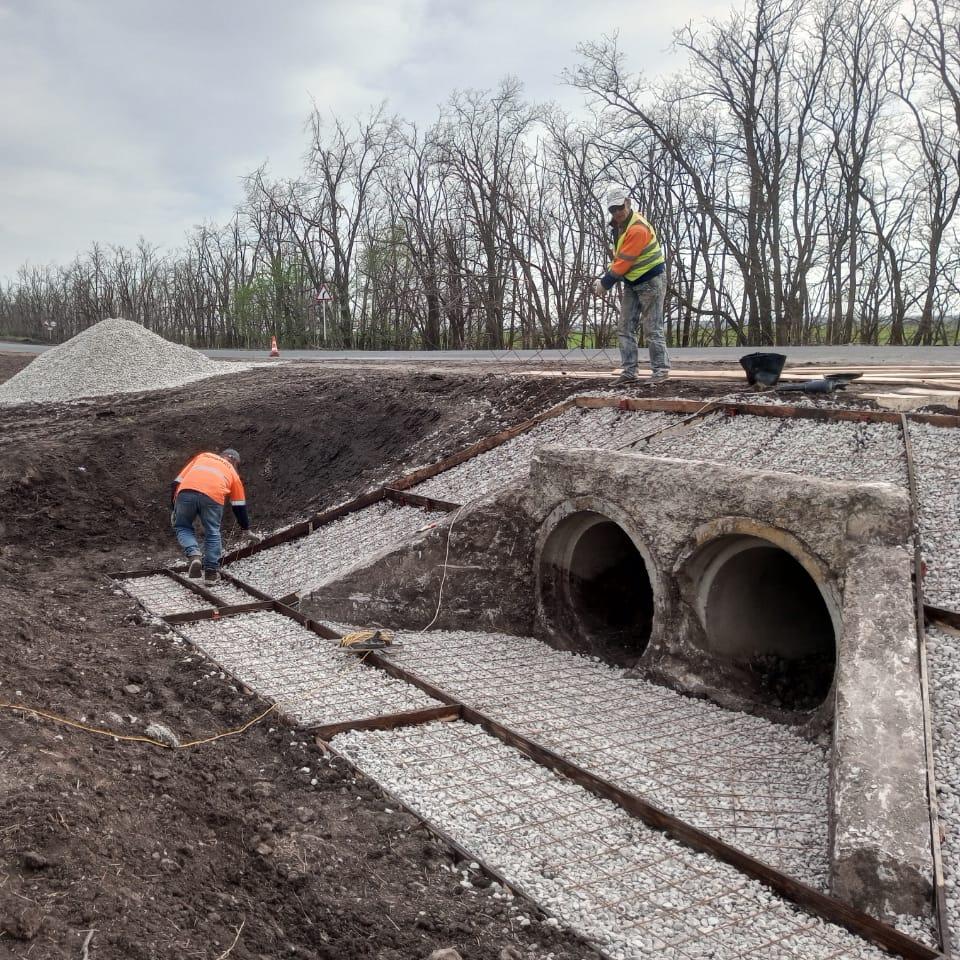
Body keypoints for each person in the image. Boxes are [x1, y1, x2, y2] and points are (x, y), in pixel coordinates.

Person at [593, 185, 670, 384]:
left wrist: (605, 283)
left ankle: (660, 371)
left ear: (627, 203)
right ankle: (629, 372)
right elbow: (620, 258)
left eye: (619, 207)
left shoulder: (637, 228)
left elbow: (624, 261)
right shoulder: (619, 227)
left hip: (651, 281)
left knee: (652, 328)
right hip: (633, 281)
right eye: (612, 209)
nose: (617, 212)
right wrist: (611, 274)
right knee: (625, 327)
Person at [170, 448, 258, 583]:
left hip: (186, 492)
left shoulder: (203, 456)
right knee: (212, 532)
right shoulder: (232, 473)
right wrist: (246, 529)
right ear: (234, 462)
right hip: (213, 497)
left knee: (182, 526)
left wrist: (173, 508)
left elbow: (176, 482)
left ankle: (194, 556)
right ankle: (211, 573)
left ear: (221, 456)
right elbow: (239, 505)